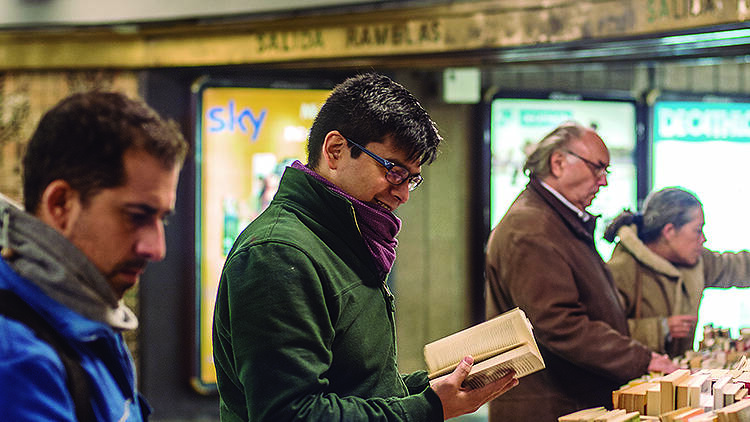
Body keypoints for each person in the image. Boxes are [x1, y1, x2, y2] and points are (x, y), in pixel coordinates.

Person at [212, 73, 518, 422]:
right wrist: (427, 407)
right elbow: (292, 413)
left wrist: (433, 386)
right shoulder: (278, 253)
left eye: (411, 179)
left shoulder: (345, 240)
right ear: (335, 150)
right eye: (393, 171)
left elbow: (360, 387)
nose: (402, 194)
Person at [0, 91, 188, 421]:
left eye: (162, 219)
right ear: (61, 204)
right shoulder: (16, 361)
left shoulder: (89, 315)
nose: (157, 249)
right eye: (136, 215)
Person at [484, 121, 677, 422]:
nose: (604, 182)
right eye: (597, 168)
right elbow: (559, 324)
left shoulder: (556, 220)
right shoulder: (531, 227)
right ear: (559, 163)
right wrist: (642, 358)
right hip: (552, 407)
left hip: (569, 402)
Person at [605, 187, 750, 358]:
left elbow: (736, 267)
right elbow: (601, 336)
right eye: (697, 230)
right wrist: (661, 329)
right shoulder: (621, 269)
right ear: (669, 231)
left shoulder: (696, 260)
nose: (703, 238)